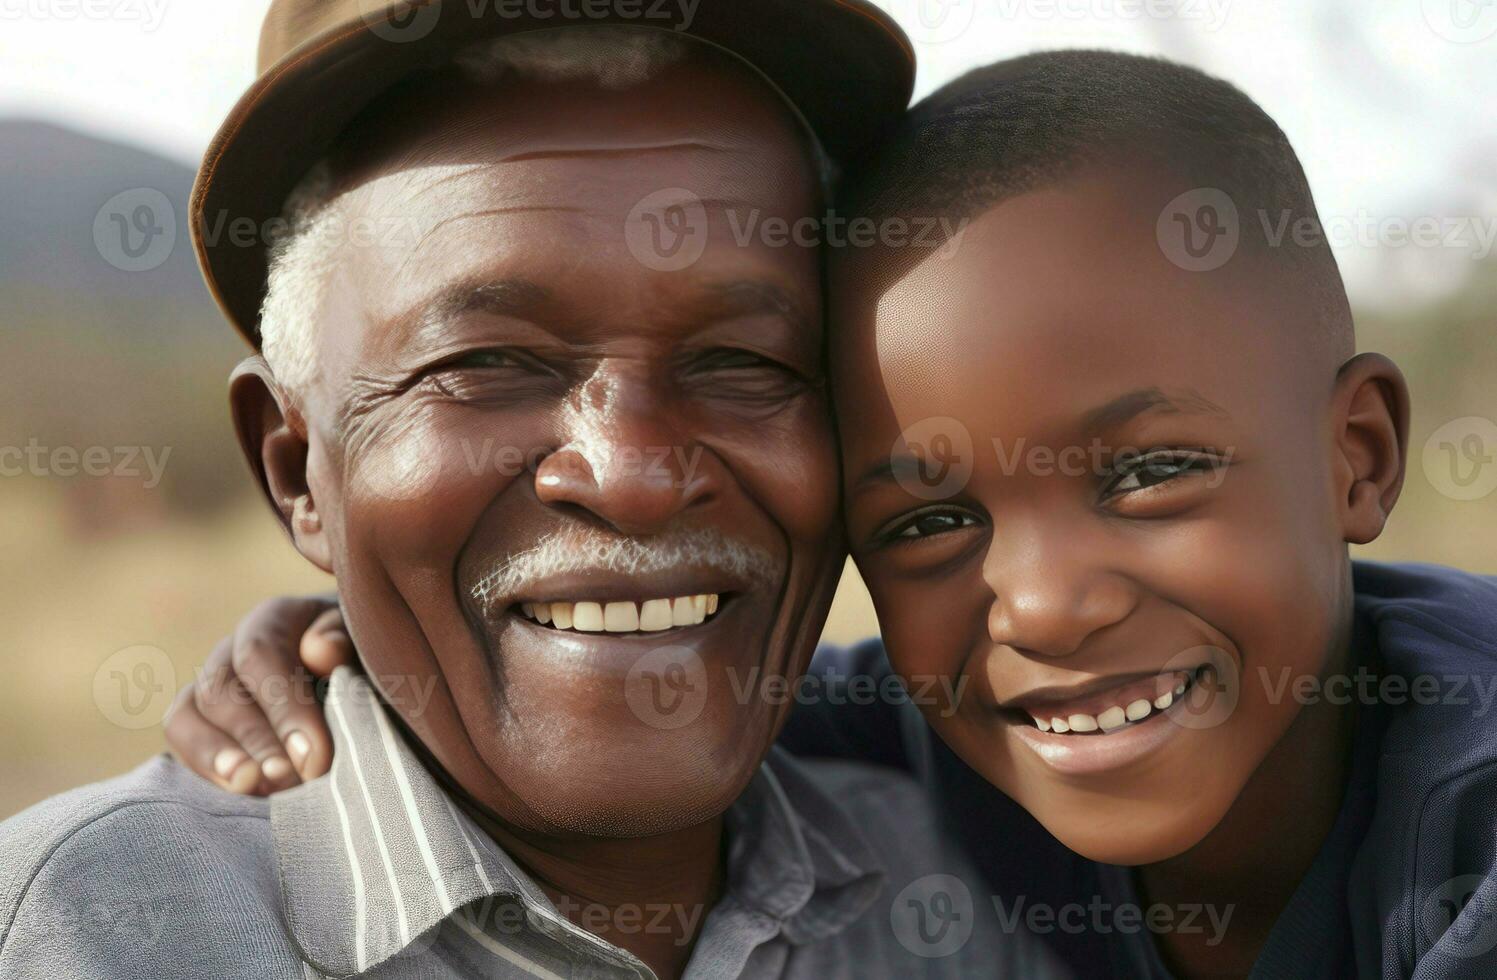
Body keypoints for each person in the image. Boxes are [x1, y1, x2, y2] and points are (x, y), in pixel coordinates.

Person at [173, 50, 1497, 978]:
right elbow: (622, 685)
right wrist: (344, 639)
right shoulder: (904, 747)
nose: (1041, 601)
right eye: (928, 527)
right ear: (296, 475)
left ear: (1358, 456)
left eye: (1150, 475)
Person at [0, 9, 1052, 979]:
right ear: (295, 470)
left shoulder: (962, 882)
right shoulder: (86, 929)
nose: (635, 473)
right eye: (489, 361)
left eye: (746, 360)